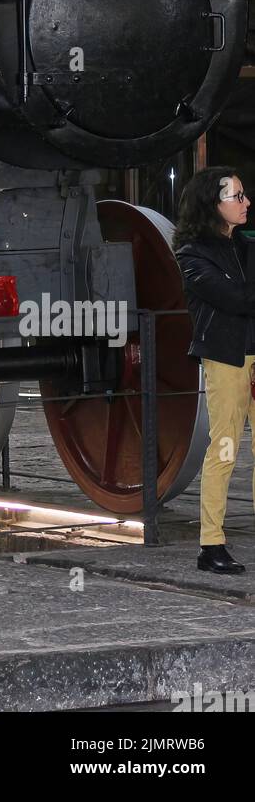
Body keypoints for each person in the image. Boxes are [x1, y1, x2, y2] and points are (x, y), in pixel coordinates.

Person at [175, 168, 255, 574]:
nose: (246, 203)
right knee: (224, 448)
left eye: (244, 195)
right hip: (226, 359)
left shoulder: (246, 245)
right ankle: (211, 544)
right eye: (237, 197)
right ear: (214, 204)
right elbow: (234, 298)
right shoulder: (191, 253)